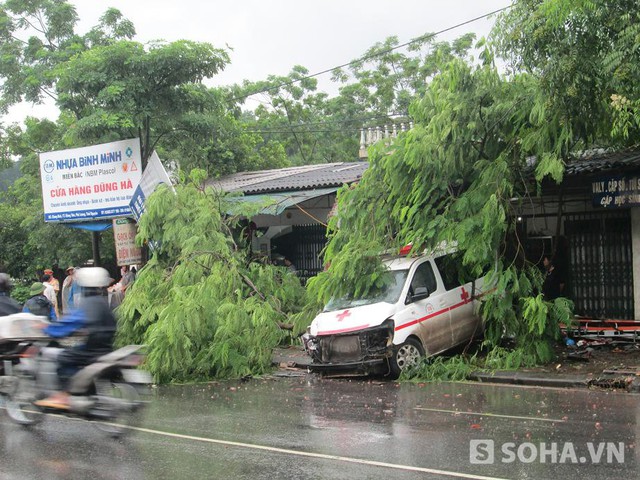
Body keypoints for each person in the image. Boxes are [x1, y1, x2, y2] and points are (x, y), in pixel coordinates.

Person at [34, 267, 116, 410]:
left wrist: (48, 329)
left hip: (92, 351)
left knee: (62, 358)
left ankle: (63, 396)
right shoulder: (103, 303)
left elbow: (69, 324)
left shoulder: (88, 304)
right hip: (106, 348)